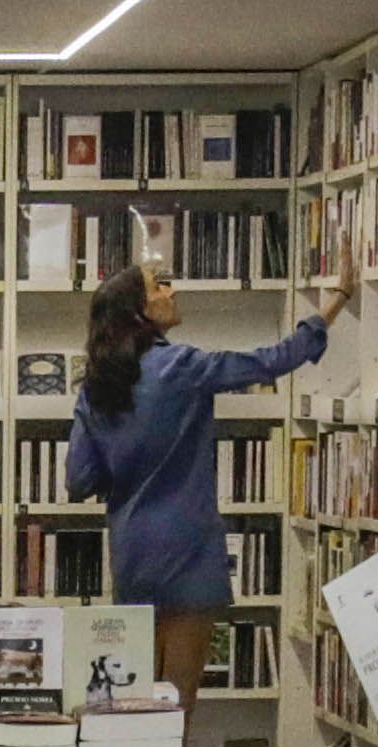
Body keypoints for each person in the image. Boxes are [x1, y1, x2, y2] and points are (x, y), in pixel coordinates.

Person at [65, 249, 346, 687]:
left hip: (132, 555)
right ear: (141, 310)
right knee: (177, 706)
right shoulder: (184, 367)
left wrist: (128, 458)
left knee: (131, 703)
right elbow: (269, 361)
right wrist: (335, 303)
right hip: (188, 552)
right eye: (159, 286)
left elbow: (79, 480)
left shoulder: (97, 385)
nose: (171, 290)